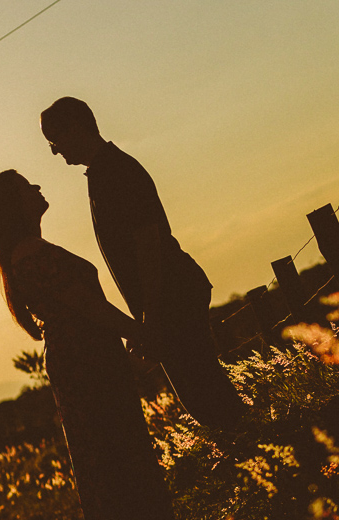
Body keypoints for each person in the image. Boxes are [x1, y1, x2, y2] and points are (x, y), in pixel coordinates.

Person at [0, 169, 183, 520]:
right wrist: (139, 331)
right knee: (115, 440)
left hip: (85, 354)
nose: (37, 186)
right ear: (13, 206)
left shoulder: (30, 251)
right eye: (26, 187)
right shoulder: (31, 256)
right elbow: (85, 305)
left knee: (109, 442)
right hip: (83, 357)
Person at [39, 97, 244, 431]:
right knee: (206, 398)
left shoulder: (115, 171)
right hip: (167, 301)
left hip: (171, 299)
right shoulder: (103, 171)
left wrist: (150, 316)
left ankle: (271, 457)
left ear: (75, 129)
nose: (54, 151)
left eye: (54, 140)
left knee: (208, 401)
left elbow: (148, 243)